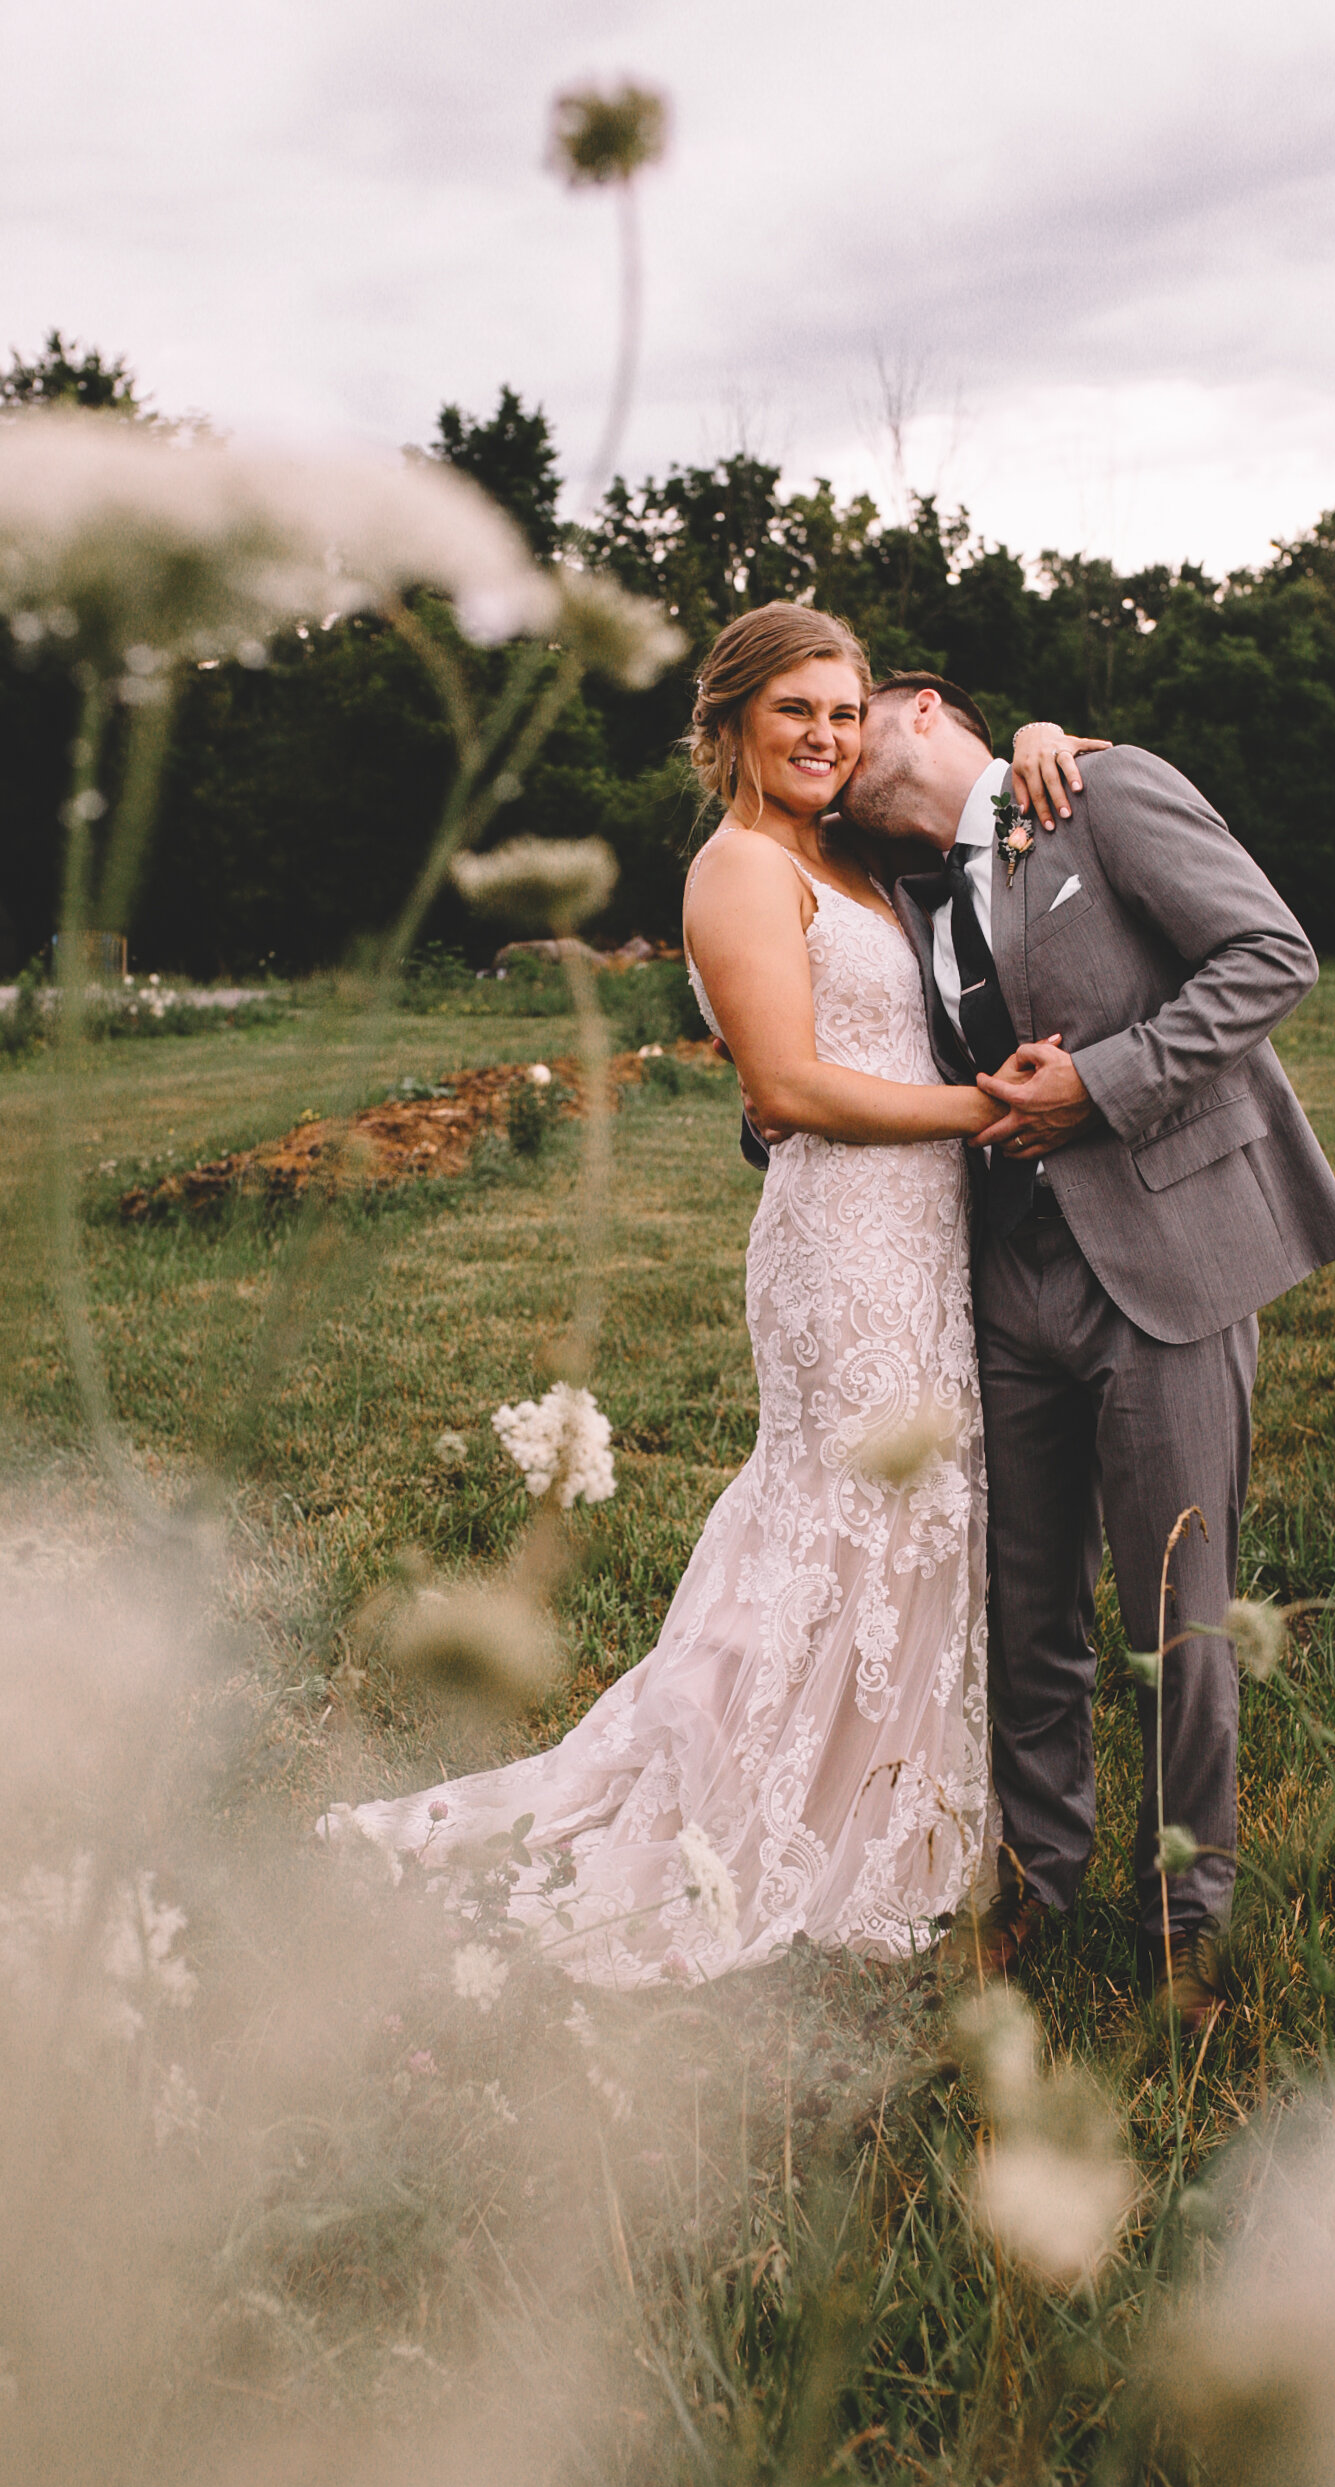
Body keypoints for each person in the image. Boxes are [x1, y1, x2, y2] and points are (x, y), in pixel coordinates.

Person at [323, 604, 1079, 1987]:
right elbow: (782, 1086)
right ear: (727, 722)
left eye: (844, 713)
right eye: (796, 710)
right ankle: (756, 1818)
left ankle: (893, 1815)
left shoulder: (848, 853)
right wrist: (981, 1106)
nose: (826, 737)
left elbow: (987, 790)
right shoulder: (738, 869)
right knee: (840, 1509)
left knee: (920, 1514)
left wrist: (1034, 738)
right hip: (841, 1246)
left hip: (922, 1233)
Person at [809, 672, 1335, 2017]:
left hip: (1158, 1265)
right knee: (1023, 1606)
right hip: (1002, 1280)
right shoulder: (891, 890)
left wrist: (1098, 1083)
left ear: (926, 708)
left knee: (1177, 1610)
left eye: (849, 715)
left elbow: (1267, 955)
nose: (827, 747)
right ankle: (1034, 1880)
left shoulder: (1098, 791)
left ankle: (1188, 1920)